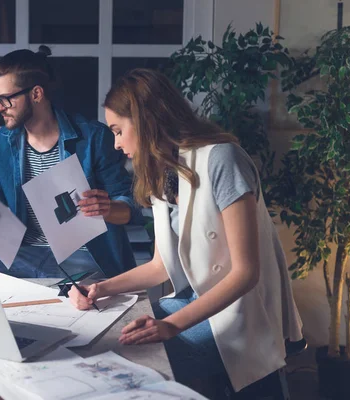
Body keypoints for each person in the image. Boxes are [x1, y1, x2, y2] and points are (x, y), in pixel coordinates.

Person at [68, 69, 303, 399]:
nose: (117, 143)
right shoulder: (161, 173)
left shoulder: (222, 159)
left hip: (241, 310)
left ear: (146, 120)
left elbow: (246, 273)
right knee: (112, 345)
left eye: (119, 131)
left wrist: (172, 324)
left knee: (135, 359)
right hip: (196, 303)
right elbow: (159, 267)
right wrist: (99, 288)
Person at [0, 46, 140, 279]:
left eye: (6, 99)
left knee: (80, 295)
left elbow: (130, 207)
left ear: (36, 94)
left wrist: (107, 209)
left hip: (85, 255)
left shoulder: (93, 138)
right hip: (24, 254)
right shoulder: (0, 144)